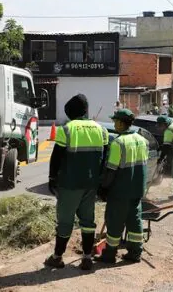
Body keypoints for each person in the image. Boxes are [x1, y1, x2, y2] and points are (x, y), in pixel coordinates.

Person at [45, 94, 109, 270]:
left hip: (69, 184)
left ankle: (57, 257)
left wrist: (52, 179)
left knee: (65, 222)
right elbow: (105, 158)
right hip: (91, 184)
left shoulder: (67, 129)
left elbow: (56, 157)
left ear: (70, 112)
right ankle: (87, 258)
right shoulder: (101, 129)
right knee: (88, 221)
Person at [97, 109, 148, 264]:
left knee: (114, 222)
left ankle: (109, 254)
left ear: (120, 123)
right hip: (137, 190)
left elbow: (111, 170)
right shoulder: (142, 140)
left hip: (120, 191)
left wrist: (104, 187)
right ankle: (135, 252)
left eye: (115, 121)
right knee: (135, 220)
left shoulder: (118, 143)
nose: (114, 124)